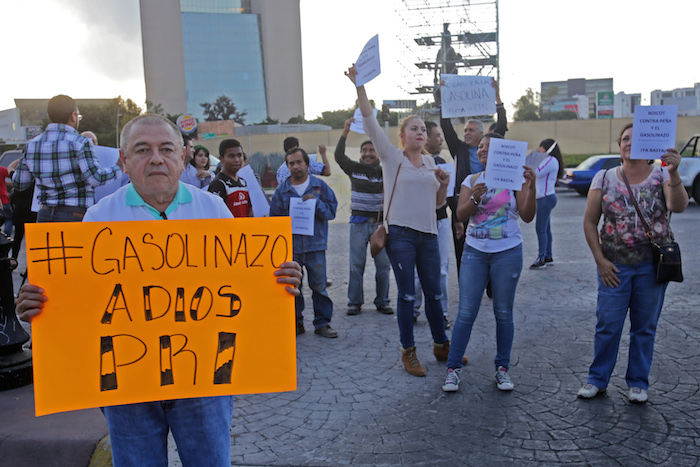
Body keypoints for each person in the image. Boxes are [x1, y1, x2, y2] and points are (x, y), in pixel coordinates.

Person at [15, 114, 302, 465]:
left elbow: (241, 287)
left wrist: (280, 279)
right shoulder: (98, 218)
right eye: (142, 149)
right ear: (124, 160)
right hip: (128, 388)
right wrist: (39, 305)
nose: (156, 158)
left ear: (182, 157)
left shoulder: (213, 210)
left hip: (203, 386)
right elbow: (80, 303)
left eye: (166, 149)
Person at [347, 64, 466, 378]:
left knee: (435, 293)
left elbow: (438, 205)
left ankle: (442, 345)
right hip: (400, 234)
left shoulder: (431, 161)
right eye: (414, 129)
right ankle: (408, 351)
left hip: (428, 233)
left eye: (423, 130)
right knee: (408, 294)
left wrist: (441, 184)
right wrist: (359, 86)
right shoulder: (392, 156)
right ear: (401, 137)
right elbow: (370, 118)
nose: (421, 133)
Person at [577, 123, 688, 403]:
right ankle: (597, 379)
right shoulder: (604, 177)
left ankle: (638, 382)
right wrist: (600, 260)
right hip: (614, 266)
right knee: (608, 324)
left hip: (651, 266)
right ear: (619, 145)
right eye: (625, 139)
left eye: (635, 139)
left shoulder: (661, 174)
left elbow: (678, 205)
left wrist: (674, 174)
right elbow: (590, 222)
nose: (629, 143)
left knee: (644, 327)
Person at [441, 132, 536, 393]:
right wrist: (474, 198)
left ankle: (502, 369)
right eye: (480, 147)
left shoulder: (515, 180)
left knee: (503, 313)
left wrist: (532, 186)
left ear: (502, 151)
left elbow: (527, 216)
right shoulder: (472, 180)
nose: (482, 150)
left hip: (508, 251)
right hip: (474, 251)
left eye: (488, 147)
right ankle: (452, 369)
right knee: (466, 312)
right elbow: (460, 215)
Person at [12, 94, 122, 222]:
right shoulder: (81, 143)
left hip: (44, 215)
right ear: (73, 116)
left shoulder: (31, 145)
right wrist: (118, 168)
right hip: (74, 215)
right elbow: (95, 178)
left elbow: (19, 183)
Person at [270, 147, 338, 338]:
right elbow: (274, 220)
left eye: (299, 162)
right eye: (291, 163)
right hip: (292, 249)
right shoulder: (282, 190)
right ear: (288, 166)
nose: (296, 166)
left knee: (319, 287)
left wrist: (316, 204)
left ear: (307, 164)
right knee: (293, 288)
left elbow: (331, 212)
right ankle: (296, 323)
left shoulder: (319, 187)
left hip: (316, 246)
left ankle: (323, 323)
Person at [440, 80, 507, 273]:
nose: (466, 133)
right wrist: (443, 95)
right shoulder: (459, 148)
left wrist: (498, 99)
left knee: (492, 243)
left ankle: (492, 284)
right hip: (463, 203)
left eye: (470, 130)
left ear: (482, 133)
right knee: (462, 246)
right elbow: (446, 126)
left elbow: (501, 125)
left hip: (492, 202)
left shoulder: (493, 145)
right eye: (465, 131)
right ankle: (466, 283)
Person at [335, 117, 392, 316]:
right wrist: (345, 131)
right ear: (360, 154)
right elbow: (339, 156)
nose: (368, 154)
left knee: (383, 266)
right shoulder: (354, 169)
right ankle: (354, 302)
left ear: (378, 153)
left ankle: (383, 301)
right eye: (364, 151)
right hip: (358, 225)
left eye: (372, 150)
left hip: (380, 226)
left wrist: (376, 132)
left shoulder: (387, 169)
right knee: (356, 265)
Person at [413, 121, 451, 330]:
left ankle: (441, 313)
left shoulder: (442, 162)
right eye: (437, 135)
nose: (441, 139)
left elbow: (448, 195)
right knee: (418, 270)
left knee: (442, 269)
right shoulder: (413, 163)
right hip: (419, 221)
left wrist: (457, 221)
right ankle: (413, 309)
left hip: (441, 219)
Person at [529, 139, 565, 269]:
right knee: (546, 228)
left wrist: (534, 158)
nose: (539, 149)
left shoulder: (551, 160)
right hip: (543, 197)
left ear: (547, 149)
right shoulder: (547, 160)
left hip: (545, 198)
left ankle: (541, 257)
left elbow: (536, 172)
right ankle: (548, 256)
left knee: (540, 228)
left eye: (541, 147)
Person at [208, 139, 252, 217]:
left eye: (239, 155)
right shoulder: (218, 184)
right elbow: (215, 216)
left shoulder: (243, 182)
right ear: (221, 159)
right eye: (231, 156)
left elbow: (250, 211)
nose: (237, 160)